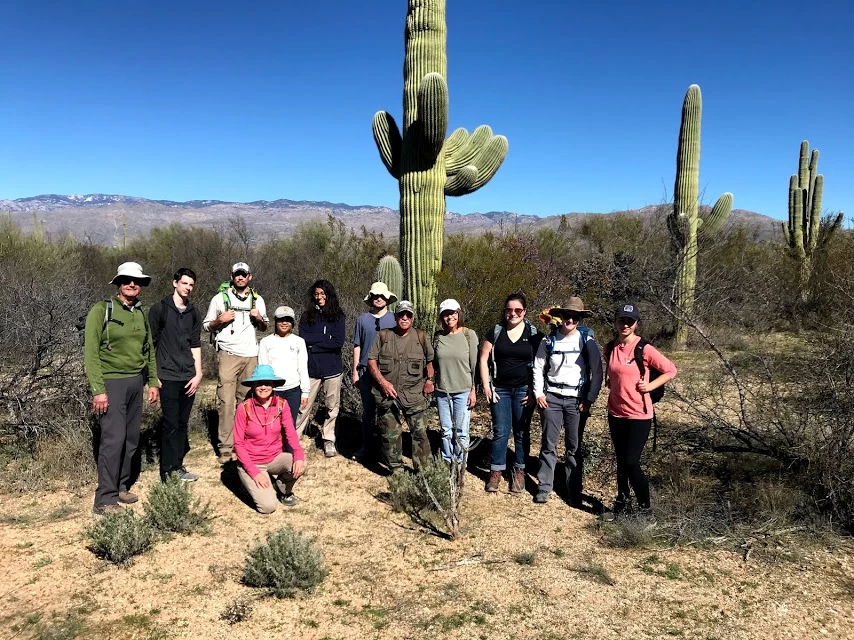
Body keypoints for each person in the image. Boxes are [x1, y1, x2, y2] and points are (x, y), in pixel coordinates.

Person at [84, 262, 159, 515]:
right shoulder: (101, 310)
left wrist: (151, 381)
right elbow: (91, 353)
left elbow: (148, 349)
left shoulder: (140, 313)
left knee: (131, 438)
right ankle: (104, 499)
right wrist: (98, 389)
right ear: (118, 283)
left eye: (136, 281)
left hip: (136, 382)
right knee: (113, 440)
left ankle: (121, 486)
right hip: (111, 382)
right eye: (126, 280)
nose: (132, 284)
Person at [602, 303, 677, 520]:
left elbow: (670, 369)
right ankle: (622, 504)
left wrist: (650, 386)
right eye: (621, 320)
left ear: (636, 324)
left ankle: (646, 511)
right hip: (616, 412)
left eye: (630, 321)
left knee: (631, 461)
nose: (625, 324)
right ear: (615, 321)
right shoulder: (610, 347)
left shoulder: (644, 348)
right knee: (621, 460)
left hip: (638, 415)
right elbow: (615, 372)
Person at [532, 297, 603, 505]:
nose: (570, 319)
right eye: (566, 315)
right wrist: (539, 393)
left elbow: (597, 372)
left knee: (574, 447)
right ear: (560, 316)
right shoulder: (549, 340)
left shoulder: (586, 341)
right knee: (548, 444)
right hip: (551, 397)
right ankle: (544, 486)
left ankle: (573, 491)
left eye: (574, 316)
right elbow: (538, 366)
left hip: (576, 400)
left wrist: (589, 399)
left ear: (580, 319)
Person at [203, 262, 268, 465]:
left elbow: (265, 327)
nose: (240, 278)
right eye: (237, 275)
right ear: (232, 276)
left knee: (247, 402)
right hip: (228, 354)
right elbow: (207, 326)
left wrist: (259, 318)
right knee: (226, 401)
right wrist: (219, 320)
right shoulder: (219, 299)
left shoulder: (257, 300)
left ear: (250, 277)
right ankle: (225, 447)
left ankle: (245, 444)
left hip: (251, 355)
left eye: (244, 274)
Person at [478, 293, 543, 493]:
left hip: (524, 390)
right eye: (509, 309)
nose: (512, 313)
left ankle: (519, 470)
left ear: (524, 312)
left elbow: (541, 365)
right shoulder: (496, 331)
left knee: (522, 431)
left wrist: (535, 391)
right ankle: (496, 470)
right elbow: (483, 359)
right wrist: (487, 387)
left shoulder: (534, 334)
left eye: (517, 310)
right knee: (501, 431)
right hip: (500, 390)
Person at [149, 267, 203, 483]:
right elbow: (149, 345)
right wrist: (153, 376)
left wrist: (198, 374)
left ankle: (178, 466)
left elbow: (195, 345)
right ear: (175, 283)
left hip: (188, 377)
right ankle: (167, 472)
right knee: (170, 424)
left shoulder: (194, 313)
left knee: (182, 423)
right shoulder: (159, 310)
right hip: (167, 376)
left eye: (191, 285)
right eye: (184, 283)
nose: (188, 288)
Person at [367, 301, 435, 473]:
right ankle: (396, 470)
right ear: (395, 316)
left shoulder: (421, 337)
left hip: (414, 394)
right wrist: (383, 382)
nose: (404, 318)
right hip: (387, 395)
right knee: (390, 434)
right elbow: (371, 361)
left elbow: (430, 361)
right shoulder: (383, 336)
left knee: (420, 434)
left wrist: (429, 381)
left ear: (412, 318)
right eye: (401, 315)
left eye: (408, 315)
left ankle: (423, 472)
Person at [233, 364, 305, 514]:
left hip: (274, 458)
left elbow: (291, 433)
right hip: (252, 462)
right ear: (253, 385)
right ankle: (247, 483)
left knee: (301, 463)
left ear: (273, 385)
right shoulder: (243, 408)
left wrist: (298, 455)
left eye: (268, 383)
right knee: (268, 507)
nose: (263, 387)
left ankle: (282, 488)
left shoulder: (281, 404)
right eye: (259, 383)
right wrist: (254, 472)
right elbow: (238, 444)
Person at [295, 279, 346, 457]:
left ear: (329, 295)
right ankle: (294, 438)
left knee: (332, 406)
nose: (319, 297)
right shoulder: (307, 315)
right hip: (311, 369)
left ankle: (328, 439)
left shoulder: (338, 315)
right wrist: (325, 338)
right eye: (316, 294)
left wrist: (314, 345)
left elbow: (337, 341)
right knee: (304, 405)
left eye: (322, 294)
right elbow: (303, 338)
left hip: (332, 368)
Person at [351, 282, 398, 461]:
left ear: (387, 298)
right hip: (365, 371)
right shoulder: (362, 319)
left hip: (387, 372)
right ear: (370, 298)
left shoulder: (394, 319)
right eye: (375, 295)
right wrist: (355, 371)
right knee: (368, 412)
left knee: (387, 412)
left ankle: (388, 450)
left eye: (382, 295)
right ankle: (366, 447)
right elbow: (357, 345)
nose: (379, 298)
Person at [433, 299, 478, 466]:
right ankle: (446, 462)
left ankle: (460, 465)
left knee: (461, 431)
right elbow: (435, 363)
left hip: (463, 389)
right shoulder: (438, 336)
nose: (449, 317)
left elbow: (474, 364)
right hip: (442, 390)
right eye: (445, 314)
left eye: (452, 313)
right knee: (445, 430)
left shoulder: (469, 335)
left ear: (459, 314)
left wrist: (473, 389)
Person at [258, 305, 310, 427]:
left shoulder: (299, 342)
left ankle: (288, 446)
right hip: (273, 391)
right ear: (275, 321)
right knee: (272, 424)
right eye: (281, 319)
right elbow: (263, 368)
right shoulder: (265, 342)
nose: (284, 323)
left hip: (293, 390)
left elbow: (302, 367)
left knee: (289, 424)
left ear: (292, 322)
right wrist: (265, 390)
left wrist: (305, 392)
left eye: (288, 320)